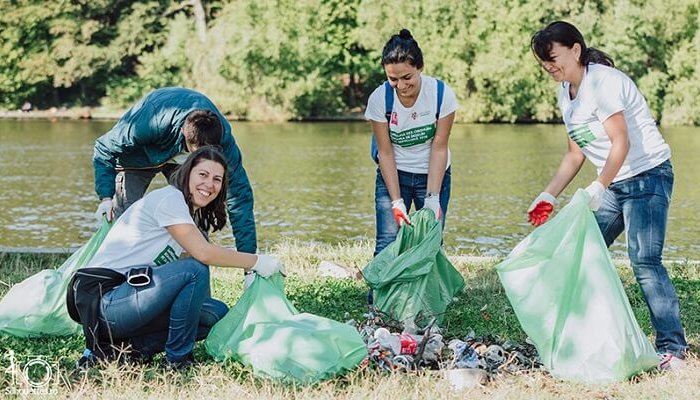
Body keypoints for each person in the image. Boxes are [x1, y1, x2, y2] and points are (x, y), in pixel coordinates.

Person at [528, 21, 688, 369]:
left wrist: (599, 185)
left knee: (645, 260)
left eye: (553, 58)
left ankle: (673, 348)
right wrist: (548, 195)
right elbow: (575, 154)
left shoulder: (604, 83)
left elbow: (622, 142)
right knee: (581, 251)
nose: (550, 67)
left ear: (575, 49)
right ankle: (582, 337)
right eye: (544, 64)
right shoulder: (566, 91)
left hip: (648, 176)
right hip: (615, 182)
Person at [69, 146, 284, 369]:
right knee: (193, 268)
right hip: (104, 301)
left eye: (217, 179)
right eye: (203, 174)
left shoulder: (186, 214)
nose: (209, 184)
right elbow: (203, 255)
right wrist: (257, 262)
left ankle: (127, 351)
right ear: (187, 172)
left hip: (130, 301)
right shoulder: (169, 199)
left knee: (215, 314)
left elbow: (195, 264)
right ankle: (176, 360)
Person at [93, 87, 256, 253]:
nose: (205, 156)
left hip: (184, 163)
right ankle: (117, 270)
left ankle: (191, 270)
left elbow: (240, 198)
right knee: (125, 220)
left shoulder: (223, 140)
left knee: (194, 218)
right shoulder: (151, 124)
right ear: (183, 134)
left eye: (208, 153)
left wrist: (250, 262)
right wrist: (106, 197)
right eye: (198, 151)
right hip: (140, 157)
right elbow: (104, 147)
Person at [365, 29, 458, 257]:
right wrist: (396, 201)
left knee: (429, 243)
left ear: (420, 68)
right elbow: (385, 153)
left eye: (407, 77)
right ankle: (380, 294)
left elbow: (439, 147)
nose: (401, 85)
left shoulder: (441, 94)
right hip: (395, 174)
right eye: (393, 79)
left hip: (433, 175)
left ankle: (427, 293)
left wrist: (433, 198)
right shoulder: (380, 99)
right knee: (387, 242)